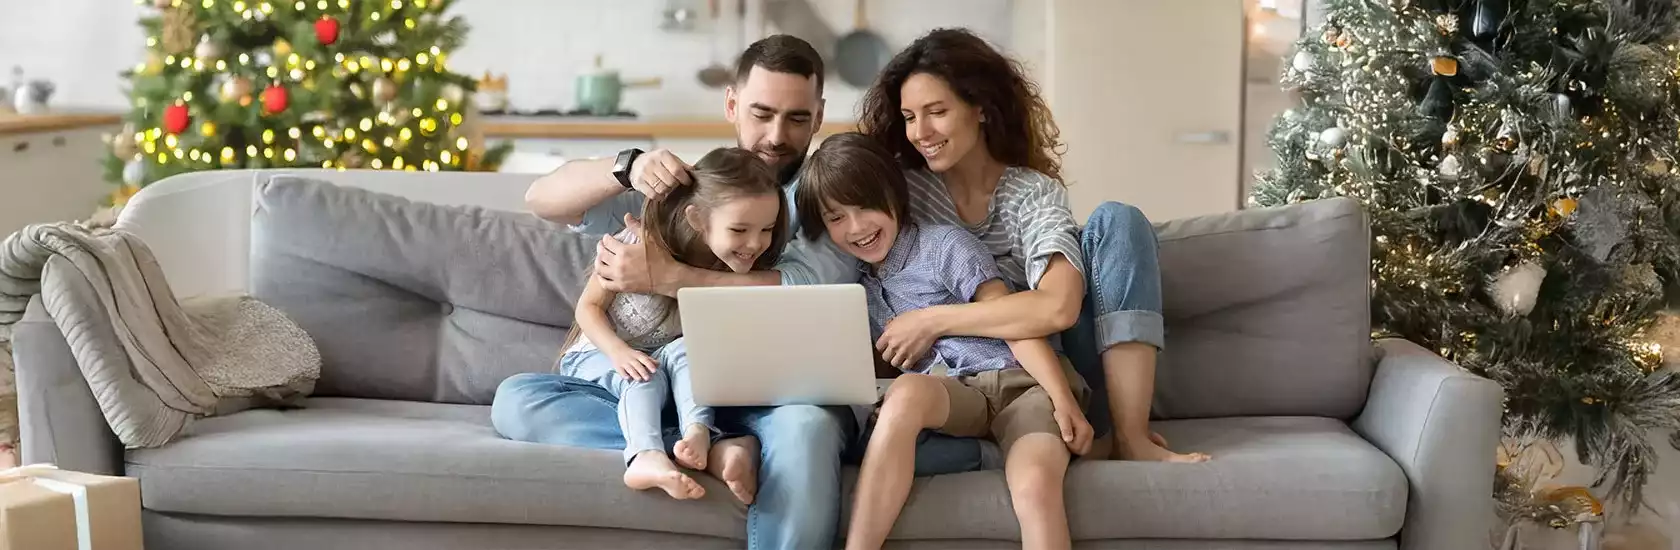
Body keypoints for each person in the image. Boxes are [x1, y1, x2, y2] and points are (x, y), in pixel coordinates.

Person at [494, 35, 987, 550]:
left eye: (797, 118)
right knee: (517, 400)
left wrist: (666, 277)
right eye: (762, 113)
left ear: (819, 117)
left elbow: (801, 286)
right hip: (665, 391)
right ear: (731, 104)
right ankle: (714, 447)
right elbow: (542, 200)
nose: (776, 135)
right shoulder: (690, 189)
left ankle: (723, 442)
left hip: (775, 399)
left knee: (807, 429)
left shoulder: (827, 200)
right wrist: (627, 166)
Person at [856, 28, 1210, 463]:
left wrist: (931, 320)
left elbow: (1058, 308)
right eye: (909, 116)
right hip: (954, 385)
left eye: (937, 111)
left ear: (981, 109)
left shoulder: (1031, 193)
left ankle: (1130, 438)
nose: (920, 131)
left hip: (1056, 371)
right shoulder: (901, 193)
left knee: (1119, 219)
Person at [795, 133, 1094, 550]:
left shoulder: (943, 246)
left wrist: (1063, 400)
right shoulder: (857, 290)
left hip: (1021, 386)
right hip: (957, 397)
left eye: (865, 206)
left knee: (1034, 483)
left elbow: (1013, 322)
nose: (857, 227)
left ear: (894, 195)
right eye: (836, 217)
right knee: (906, 393)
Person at [559, 147, 788, 502]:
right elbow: (587, 309)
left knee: (685, 351)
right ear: (697, 218)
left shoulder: (731, 271)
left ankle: (696, 432)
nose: (755, 243)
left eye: (767, 229)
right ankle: (648, 456)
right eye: (740, 229)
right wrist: (619, 353)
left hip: (666, 375)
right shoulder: (638, 244)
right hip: (601, 355)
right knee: (641, 376)